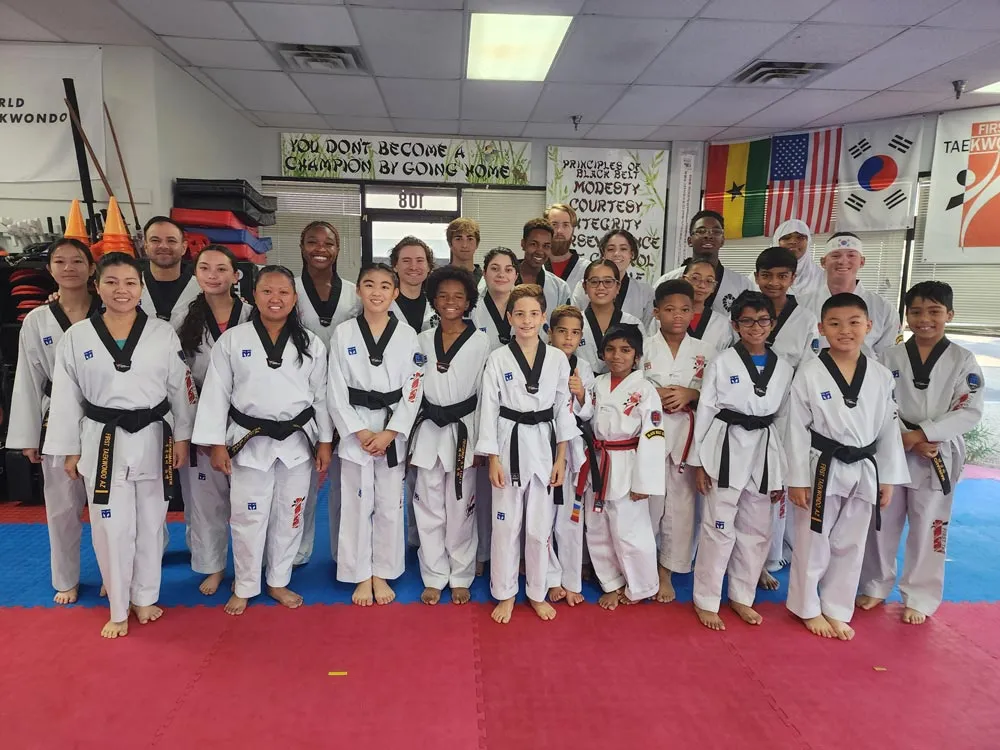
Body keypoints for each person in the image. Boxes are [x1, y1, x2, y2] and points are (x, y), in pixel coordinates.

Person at [44, 252, 196, 638]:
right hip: (102, 440)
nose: (121, 290)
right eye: (111, 282)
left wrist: (182, 438)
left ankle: (145, 597)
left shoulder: (161, 332)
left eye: (130, 282)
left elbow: (180, 389)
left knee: (150, 522)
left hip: (154, 437)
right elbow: (65, 398)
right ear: (98, 287)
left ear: (141, 288)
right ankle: (117, 605)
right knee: (109, 525)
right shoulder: (76, 337)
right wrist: (70, 449)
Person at [193, 265, 332, 615]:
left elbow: (321, 397)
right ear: (254, 296)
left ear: (294, 298)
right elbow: (216, 394)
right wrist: (216, 443)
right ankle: (245, 584)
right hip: (249, 442)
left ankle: (278, 580)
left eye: (284, 292)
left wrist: (325, 442)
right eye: (268, 291)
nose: (276, 298)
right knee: (247, 516)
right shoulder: (233, 340)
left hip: (298, 444)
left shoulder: (311, 343)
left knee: (291, 514)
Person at [858, 281, 984, 625]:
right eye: (916, 312)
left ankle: (920, 595)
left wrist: (926, 434)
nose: (924, 319)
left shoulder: (963, 359)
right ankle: (875, 584)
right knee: (882, 520)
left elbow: (968, 409)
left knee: (930, 524)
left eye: (934, 311)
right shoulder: (890, 356)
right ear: (906, 316)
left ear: (949, 315)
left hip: (937, 451)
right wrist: (907, 436)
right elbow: (878, 402)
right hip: (895, 444)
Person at [784, 293, 909, 641]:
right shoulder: (808, 373)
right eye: (835, 324)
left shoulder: (881, 375)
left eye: (854, 323)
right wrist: (796, 479)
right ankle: (807, 607)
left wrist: (888, 478)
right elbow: (794, 428)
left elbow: (888, 429)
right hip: (820, 467)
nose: (845, 331)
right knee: (813, 541)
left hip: (864, 467)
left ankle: (837, 608)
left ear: (868, 326)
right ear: (821, 329)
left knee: (851, 543)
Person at [689, 292, 794, 630]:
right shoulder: (722, 361)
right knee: (718, 527)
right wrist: (699, 462)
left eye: (762, 320)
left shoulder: (784, 366)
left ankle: (741, 596)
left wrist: (782, 473)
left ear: (772, 323)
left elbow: (784, 420)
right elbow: (705, 409)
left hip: (764, 450)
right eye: (747, 321)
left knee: (757, 530)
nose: (755, 327)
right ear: (735, 325)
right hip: (725, 446)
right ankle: (706, 599)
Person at [6, 238, 100, 605]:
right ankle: (66, 577)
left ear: (92, 268)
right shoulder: (37, 319)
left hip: (104, 418)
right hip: (56, 419)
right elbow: (28, 379)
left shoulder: (110, 311)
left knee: (110, 506)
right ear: (50, 270)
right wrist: (29, 435)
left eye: (78, 261)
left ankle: (114, 572)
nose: (69, 268)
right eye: (60, 261)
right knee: (61, 505)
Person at [477, 284, 577, 624]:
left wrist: (562, 458)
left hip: (546, 447)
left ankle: (536, 591)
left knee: (538, 528)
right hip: (509, 445)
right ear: (509, 318)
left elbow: (564, 409)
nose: (526, 320)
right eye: (519, 313)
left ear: (543, 318)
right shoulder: (498, 358)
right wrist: (492, 458)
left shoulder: (558, 359)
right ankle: (505, 593)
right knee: (505, 527)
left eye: (534, 313)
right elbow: (488, 410)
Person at [328, 263, 423, 607]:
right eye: (369, 285)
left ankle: (382, 570)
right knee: (355, 502)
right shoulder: (343, 333)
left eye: (385, 286)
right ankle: (359, 573)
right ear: (358, 291)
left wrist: (389, 432)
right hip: (357, 427)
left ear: (395, 293)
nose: (377, 292)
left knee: (388, 503)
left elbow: (414, 388)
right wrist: (359, 431)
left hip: (390, 428)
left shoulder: (408, 334)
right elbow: (334, 388)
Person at [409, 267, 490, 605]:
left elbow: (487, 396)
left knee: (461, 507)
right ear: (434, 300)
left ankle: (460, 574)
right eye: (443, 296)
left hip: (463, 430)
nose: (450, 302)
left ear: (469, 300)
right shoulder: (422, 339)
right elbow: (412, 388)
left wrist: (484, 442)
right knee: (427, 506)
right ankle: (433, 574)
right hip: (429, 429)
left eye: (458, 296)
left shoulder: (482, 341)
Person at [176, 245, 253, 596]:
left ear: (235, 276)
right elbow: (176, 374)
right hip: (200, 415)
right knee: (205, 498)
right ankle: (214, 566)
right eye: (205, 268)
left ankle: (251, 566)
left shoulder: (254, 315)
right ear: (196, 275)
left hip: (246, 415)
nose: (212, 275)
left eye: (221, 269)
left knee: (249, 496)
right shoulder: (183, 319)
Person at [641, 279, 715, 603]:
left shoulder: (705, 351)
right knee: (648, 502)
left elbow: (714, 395)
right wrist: (651, 394)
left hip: (688, 432)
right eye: (669, 309)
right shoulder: (642, 346)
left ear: (693, 312)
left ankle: (666, 570)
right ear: (656, 312)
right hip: (651, 432)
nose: (677, 316)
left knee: (683, 506)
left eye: (685, 309)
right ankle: (642, 565)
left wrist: (691, 393)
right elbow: (627, 383)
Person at [753, 246, 821, 588]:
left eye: (782, 276)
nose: (774, 283)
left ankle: (769, 556)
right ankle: (747, 555)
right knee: (748, 489)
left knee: (776, 489)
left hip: (788, 414)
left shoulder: (807, 320)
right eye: (767, 275)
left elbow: (811, 371)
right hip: (749, 412)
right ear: (756, 277)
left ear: (793, 278)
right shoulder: (747, 311)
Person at [294, 220, 360, 568]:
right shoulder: (288, 289)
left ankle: (343, 553)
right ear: (302, 246)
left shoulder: (353, 292)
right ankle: (295, 552)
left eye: (329, 243)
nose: (321, 248)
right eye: (312, 242)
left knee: (343, 483)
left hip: (348, 395)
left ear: (338, 249)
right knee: (300, 481)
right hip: (300, 397)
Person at [585, 324, 665, 610]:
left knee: (630, 529)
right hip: (598, 462)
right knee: (597, 527)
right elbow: (584, 417)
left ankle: (641, 585)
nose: (617, 356)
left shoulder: (645, 390)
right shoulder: (596, 384)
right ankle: (611, 582)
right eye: (610, 349)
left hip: (628, 463)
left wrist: (645, 482)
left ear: (637, 356)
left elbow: (653, 436)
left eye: (625, 350)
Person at [469, 246, 519, 572]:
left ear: (517, 274)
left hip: (517, 411)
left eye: (508, 269)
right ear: (484, 273)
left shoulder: (527, 310)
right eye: (495, 268)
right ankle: (481, 551)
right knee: (479, 486)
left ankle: (511, 553)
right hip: (477, 405)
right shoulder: (472, 310)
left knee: (508, 485)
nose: (501, 274)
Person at [546, 304, 595, 606]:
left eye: (575, 333)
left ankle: (571, 579)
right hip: (542, 443)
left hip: (574, 447)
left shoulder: (584, 367)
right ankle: (551, 578)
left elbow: (589, 413)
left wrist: (580, 394)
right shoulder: (538, 359)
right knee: (543, 515)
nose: (568, 338)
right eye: (562, 331)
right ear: (549, 332)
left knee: (571, 516)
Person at [801, 233, 901, 358]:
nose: (843, 261)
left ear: (862, 261)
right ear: (823, 262)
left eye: (851, 255)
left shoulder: (883, 307)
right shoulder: (802, 304)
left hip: (867, 375)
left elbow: (890, 356)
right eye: (835, 255)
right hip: (813, 375)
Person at [657, 211, 752, 315]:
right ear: (689, 240)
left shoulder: (742, 284)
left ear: (722, 240)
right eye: (701, 231)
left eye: (715, 232)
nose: (708, 236)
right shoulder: (667, 281)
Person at [572, 229, 654, 327]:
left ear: (631, 254)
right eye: (611, 249)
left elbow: (648, 330)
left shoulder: (644, 292)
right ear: (603, 254)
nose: (616, 254)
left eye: (623, 249)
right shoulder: (585, 286)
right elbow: (573, 322)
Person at [576, 259, 642, 375]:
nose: (601, 287)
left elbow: (641, 364)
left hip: (623, 389)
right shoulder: (574, 322)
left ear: (617, 287)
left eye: (608, 281)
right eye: (594, 281)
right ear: (585, 287)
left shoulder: (632, 323)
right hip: (581, 388)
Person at [139, 216, 201, 330]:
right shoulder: (130, 286)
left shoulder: (201, 288)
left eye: (171, 240)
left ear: (184, 247)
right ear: (146, 246)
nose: (163, 246)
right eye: (155, 240)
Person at [662, 258, 736, 353]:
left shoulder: (723, 324)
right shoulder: (663, 317)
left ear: (714, 287)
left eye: (709, 281)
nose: (702, 285)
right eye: (695, 278)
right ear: (683, 280)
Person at [513, 218, 571, 324]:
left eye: (546, 246)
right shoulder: (504, 280)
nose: (540, 251)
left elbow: (562, 325)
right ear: (523, 244)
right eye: (534, 244)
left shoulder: (560, 288)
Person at [390, 236, 436, 332]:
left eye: (420, 260)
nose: (413, 267)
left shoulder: (437, 304)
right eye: (406, 260)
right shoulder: (383, 304)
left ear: (428, 267)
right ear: (395, 266)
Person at [772, 219, 824, 299]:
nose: (793, 241)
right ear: (776, 242)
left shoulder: (822, 278)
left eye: (800, 237)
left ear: (808, 241)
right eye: (786, 238)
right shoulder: (762, 276)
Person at [544, 203, 586, 292]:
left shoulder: (586, 269)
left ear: (573, 229)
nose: (559, 231)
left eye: (565, 225)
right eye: (554, 225)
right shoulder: (537, 266)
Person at [447, 217, 483, 285]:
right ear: (450, 244)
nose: (464, 245)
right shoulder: (438, 278)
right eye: (458, 239)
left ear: (477, 244)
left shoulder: (485, 280)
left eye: (470, 239)